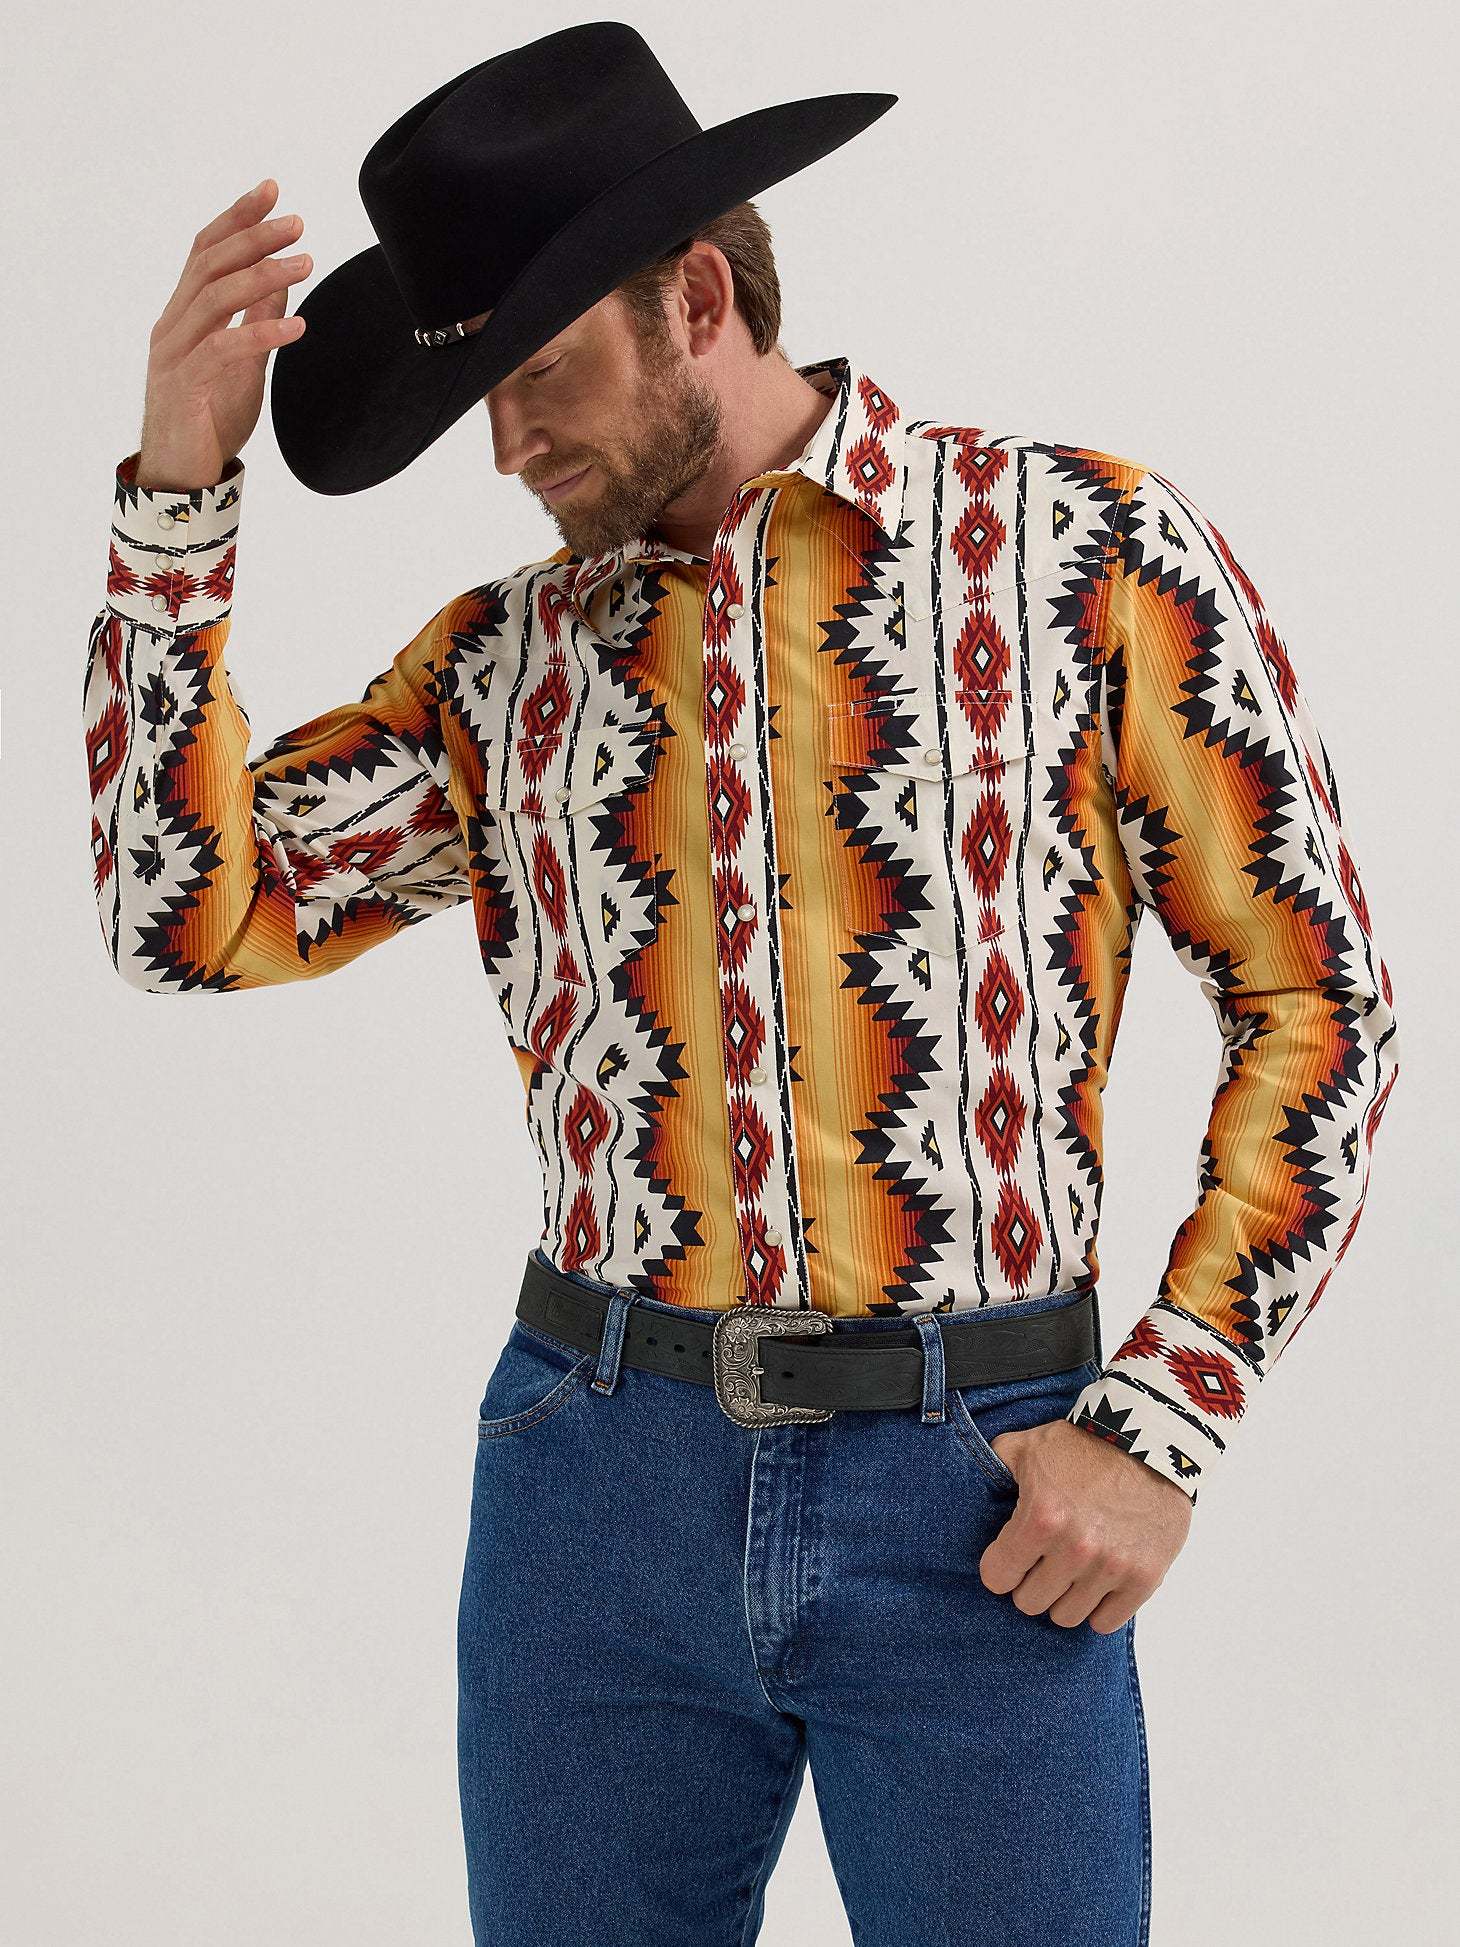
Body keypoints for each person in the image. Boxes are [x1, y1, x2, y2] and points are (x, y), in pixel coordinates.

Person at [84, 24, 1401, 1947]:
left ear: (697, 297)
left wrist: (1164, 1419)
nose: (512, 450)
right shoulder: (500, 669)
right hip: (595, 1492)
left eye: (542, 374)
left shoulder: (1078, 555)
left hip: (987, 1492)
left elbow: (1319, 999)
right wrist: (177, 495)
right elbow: (176, 916)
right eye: (480, 401)